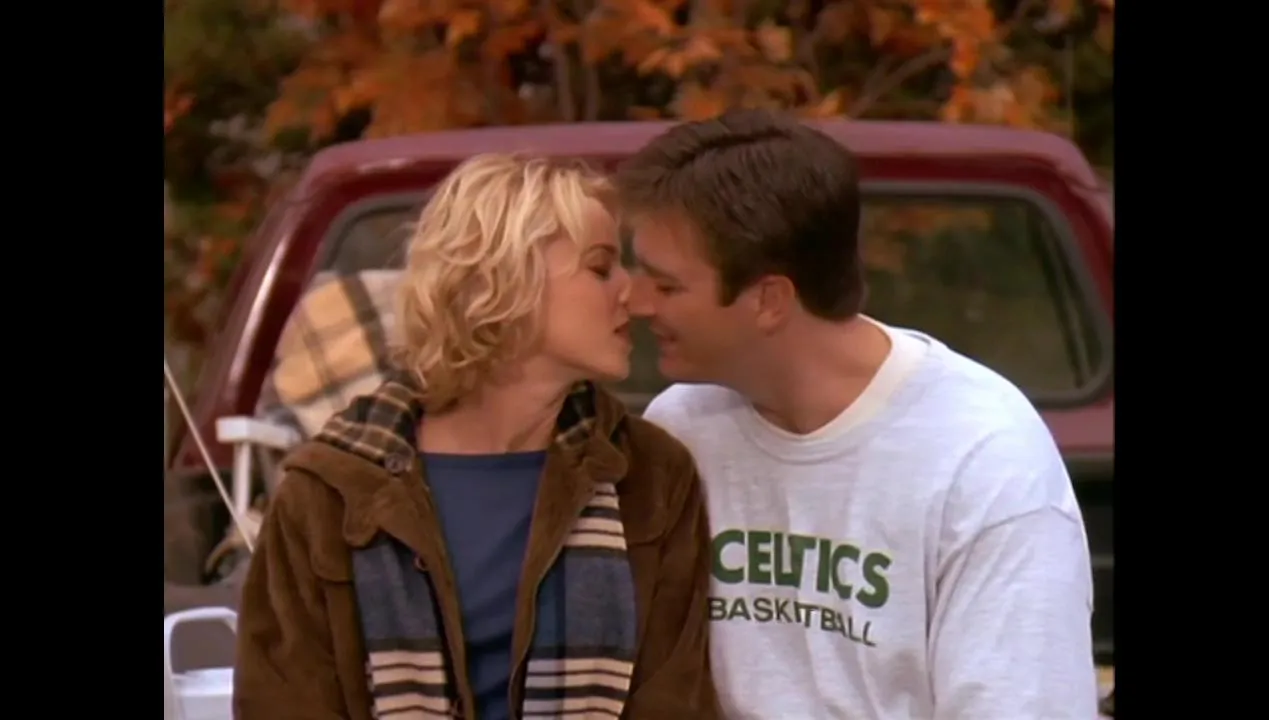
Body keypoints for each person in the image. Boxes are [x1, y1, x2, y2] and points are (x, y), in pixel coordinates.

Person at [615, 109, 1098, 719]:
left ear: (769, 300)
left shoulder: (982, 457)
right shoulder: (682, 428)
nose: (634, 301)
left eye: (666, 286)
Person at [234, 153, 721, 720]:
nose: (632, 296)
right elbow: (282, 703)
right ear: (504, 281)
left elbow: (673, 703)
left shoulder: (649, 475)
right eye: (600, 267)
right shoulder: (331, 489)